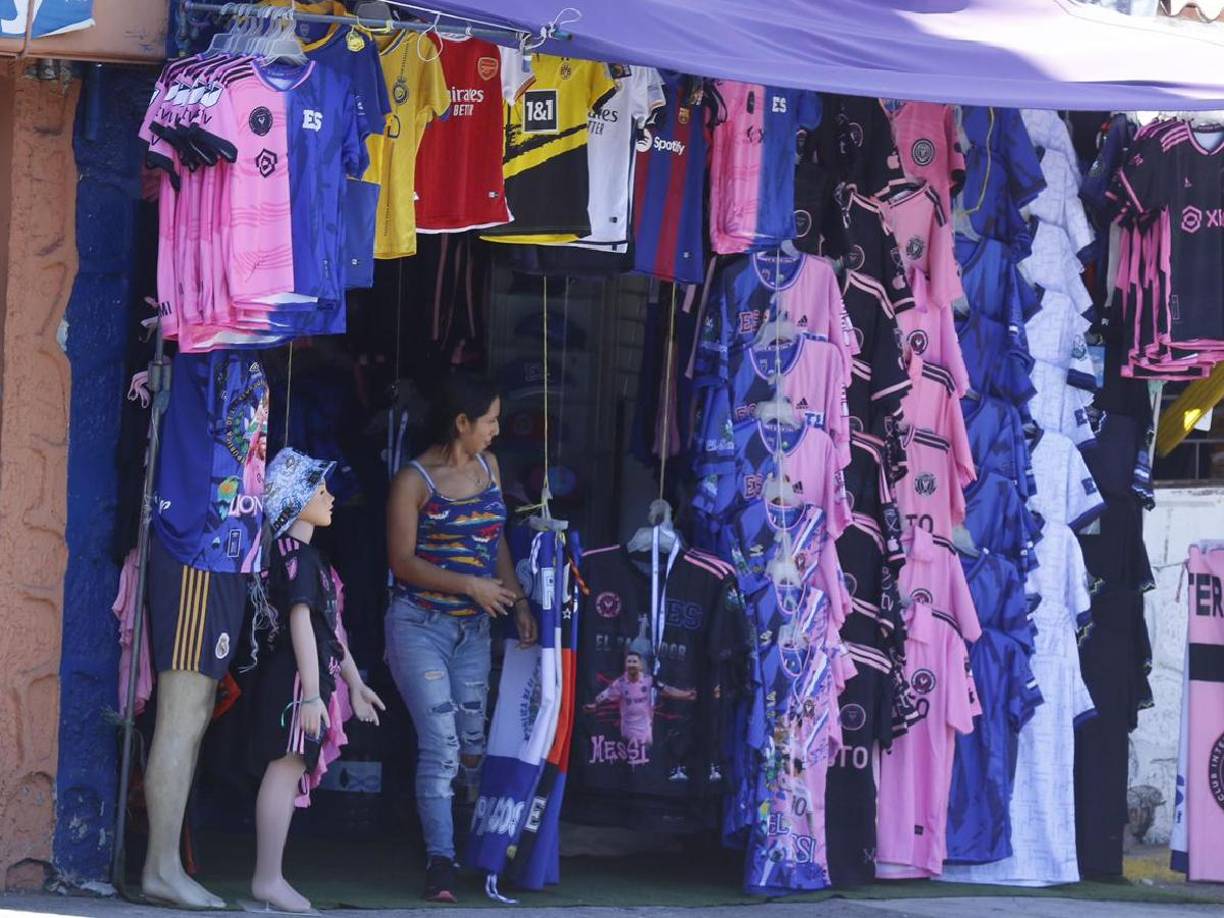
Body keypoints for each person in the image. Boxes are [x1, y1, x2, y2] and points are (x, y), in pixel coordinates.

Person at [386, 373, 538, 903]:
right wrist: (469, 585)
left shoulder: (488, 467)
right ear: (462, 423)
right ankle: (440, 862)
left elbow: (494, 541)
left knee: (472, 743)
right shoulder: (413, 481)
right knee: (443, 747)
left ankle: (477, 840)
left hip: (473, 630)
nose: (496, 429)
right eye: (490, 419)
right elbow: (401, 563)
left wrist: (515, 599)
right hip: (418, 626)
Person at [246, 448, 386, 913]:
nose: (330, 497)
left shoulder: (311, 559)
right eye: (318, 489)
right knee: (284, 768)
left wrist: (354, 683)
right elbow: (301, 623)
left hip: (312, 681)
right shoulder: (296, 559)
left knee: (291, 770)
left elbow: (332, 632)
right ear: (292, 500)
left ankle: (271, 875)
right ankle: (267, 877)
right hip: (295, 683)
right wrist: (309, 693)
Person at [584, 650, 697, 747]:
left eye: (634, 662)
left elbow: (667, 689)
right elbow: (604, 695)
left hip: (645, 736)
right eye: (629, 662)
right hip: (627, 736)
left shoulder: (649, 680)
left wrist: (686, 694)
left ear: (640, 665)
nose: (632, 664)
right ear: (625, 665)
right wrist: (594, 704)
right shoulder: (620, 683)